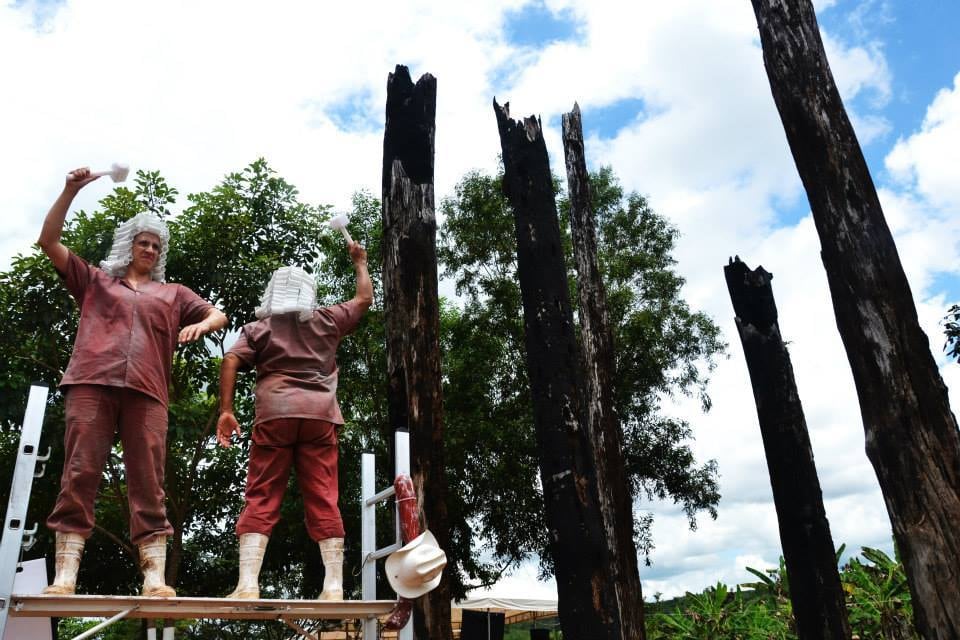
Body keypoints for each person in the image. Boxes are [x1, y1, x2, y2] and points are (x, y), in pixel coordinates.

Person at [38, 167, 228, 597]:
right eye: (143, 241)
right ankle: (65, 576)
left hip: (147, 389)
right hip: (91, 381)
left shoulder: (174, 293)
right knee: (80, 471)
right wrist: (70, 189)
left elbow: (218, 313)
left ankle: (154, 577)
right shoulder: (96, 281)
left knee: (149, 481)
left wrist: (204, 325)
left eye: (156, 245)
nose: (149, 248)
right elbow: (49, 242)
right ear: (129, 245)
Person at [216, 242, 372, 601]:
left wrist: (226, 410)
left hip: (275, 415)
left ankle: (247, 585)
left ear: (273, 292)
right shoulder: (327, 320)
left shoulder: (258, 328)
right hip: (319, 417)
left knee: (262, 496)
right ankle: (333, 586)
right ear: (308, 292)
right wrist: (359, 262)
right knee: (322, 497)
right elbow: (363, 300)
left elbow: (230, 361)